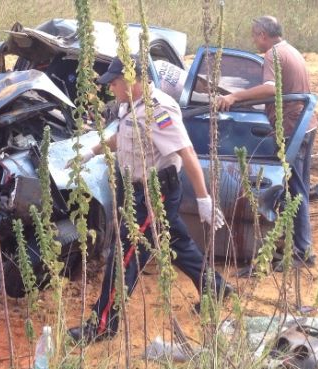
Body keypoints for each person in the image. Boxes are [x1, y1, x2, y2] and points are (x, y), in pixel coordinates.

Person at [67, 56, 232, 344]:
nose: (111, 88)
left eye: (115, 83)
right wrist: (91, 151)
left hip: (154, 193)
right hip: (138, 191)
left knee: (126, 256)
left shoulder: (159, 110)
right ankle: (214, 287)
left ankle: (103, 324)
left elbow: (187, 152)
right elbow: (123, 137)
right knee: (175, 241)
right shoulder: (130, 106)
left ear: (133, 80)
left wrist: (204, 198)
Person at [218, 16, 318, 269]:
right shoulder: (290, 50)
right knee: (299, 189)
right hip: (306, 125)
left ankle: (302, 252)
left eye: (255, 36)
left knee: (296, 190)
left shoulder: (273, 54)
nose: (254, 41)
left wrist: (235, 96)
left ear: (263, 34)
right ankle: (297, 244)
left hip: (292, 128)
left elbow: (270, 89)